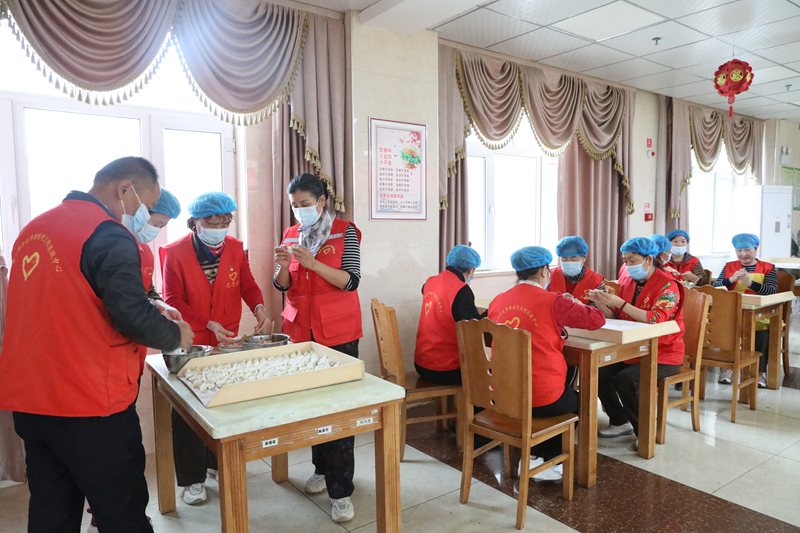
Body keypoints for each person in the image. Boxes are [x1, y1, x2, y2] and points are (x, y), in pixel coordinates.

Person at [0, 156, 193, 533]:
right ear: (125, 189)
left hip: (32, 401)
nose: (146, 219)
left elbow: (71, 300)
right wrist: (177, 336)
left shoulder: (34, 229)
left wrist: (151, 304)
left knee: (52, 508)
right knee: (121, 511)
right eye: (148, 207)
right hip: (88, 404)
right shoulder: (107, 233)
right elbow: (131, 317)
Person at [160, 191, 270, 505]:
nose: (219, 229)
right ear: (195, 223)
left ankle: (217, 463)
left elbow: (247, 284)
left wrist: (259, 308)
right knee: (187, 409)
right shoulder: (175, 252)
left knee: (223, 402)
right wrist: (206, 323)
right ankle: (192, 479)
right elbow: (172, 300)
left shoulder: (235, 248)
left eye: (225, 223)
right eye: (212, 223)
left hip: (226, 338)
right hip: (192, 340)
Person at [87, 187, 183, 532]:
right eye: (156, 222)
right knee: (109, 456)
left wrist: (160, 303)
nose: (156, 231)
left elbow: (143, 290)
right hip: (101, 365)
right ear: (140, 209)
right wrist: (175, 336)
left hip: (129, 362)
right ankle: (109, 515)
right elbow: (121, 306)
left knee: (126, 450)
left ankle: (121, 514)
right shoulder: (107, 242)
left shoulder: (142, 248)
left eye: (162, 226)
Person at [273, 173, 363, 523]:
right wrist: (283, 269)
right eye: (294, 205)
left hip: (338, 333)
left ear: (322, 200)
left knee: (339, 410)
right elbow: (283, 285)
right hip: (301, 333)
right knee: (313, 408)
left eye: (306, 204)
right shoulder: (291, 233)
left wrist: (314, 264)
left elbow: (351, 280)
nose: (300, 211)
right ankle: (321, 469)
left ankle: (341, 491)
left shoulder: (345, 231)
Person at [488, 246, 605, 482]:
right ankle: (550, 460)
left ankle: (533, 455)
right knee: (576, 400)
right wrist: (575, 304)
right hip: (540, 395)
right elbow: (596, 320)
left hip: (501, 392)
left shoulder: (498, 300)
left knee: (556, 395)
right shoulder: (554, 301)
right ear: (544, 271)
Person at [589, 237, 685, 450]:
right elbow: (616, 315)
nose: (628, 265)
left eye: (632, 260)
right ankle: (619, 420)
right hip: (632, 349)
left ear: (649, 259)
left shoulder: (669, 285)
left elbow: (656, 318)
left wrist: (621, 303)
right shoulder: (629, 281)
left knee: (626, 380)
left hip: (663, 353)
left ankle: (645, 432)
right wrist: (601, 303)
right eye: (625, 261)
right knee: (599, 371)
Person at [713, 233, 777, 388]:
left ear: (756, 248)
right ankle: (727, 368)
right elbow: (716, 287)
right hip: (733, 310)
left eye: (747, 250)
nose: (743, 254)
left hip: (759, 312)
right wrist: (731, 280)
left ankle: (759, 372)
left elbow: (772, 290)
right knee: (725, 328)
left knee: (762, 332)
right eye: (739, 250)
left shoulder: (768, 268)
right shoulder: (729, 266)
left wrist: (750, 283)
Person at [414, 245, 484, 385]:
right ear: (472, 269)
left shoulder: (430, 282)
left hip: (421, 363)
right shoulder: (461, 290)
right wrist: (491, 309)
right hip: (445, 368)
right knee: (488, 372)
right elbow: (475, 326)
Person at [548, 236, 605, 304]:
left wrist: (581, 306)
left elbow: (601, 310)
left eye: (573, 257)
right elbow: (541, 302)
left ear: (584, 257)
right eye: (564, 258)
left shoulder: (596, 281)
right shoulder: (549, 276)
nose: (569, 262)